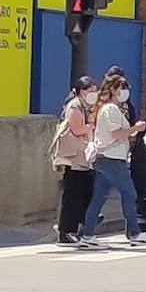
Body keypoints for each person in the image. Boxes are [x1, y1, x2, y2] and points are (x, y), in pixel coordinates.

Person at [79, 74, 146, 249]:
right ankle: (134, 233)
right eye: (122, 88)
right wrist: (136, 128)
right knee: (130, 194)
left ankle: (88, 235)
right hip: (112, 159)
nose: (125, 92)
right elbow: (116, 134)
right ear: (113, 89)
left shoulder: (107, 108)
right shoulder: (110, 109)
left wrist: (131, 130)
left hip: (106, 159)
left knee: (98, 198)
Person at [50, 75, 98, 245]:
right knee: (73, 196)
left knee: (84, 193)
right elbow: (77, 129)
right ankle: (66, 231)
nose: (94, 93)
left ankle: (77, 226)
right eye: (91, 90)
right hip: (74, 158)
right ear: (81, 91)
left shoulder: (85, 106)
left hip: (82, 158)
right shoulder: (75, 106)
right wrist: (90, 127)